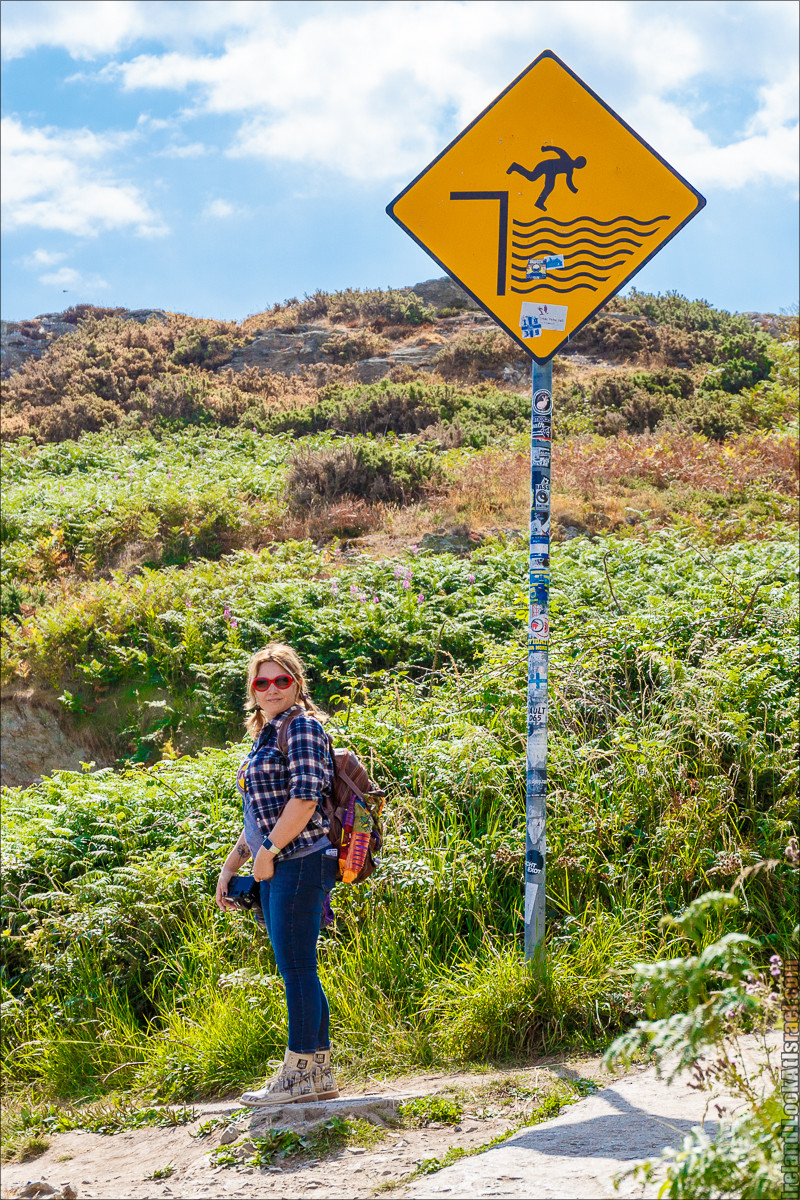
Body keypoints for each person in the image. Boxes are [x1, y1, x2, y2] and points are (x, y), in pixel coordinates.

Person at [216, 642, 339, 1106]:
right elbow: (258, 813)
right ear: (252, 689)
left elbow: (306, 800)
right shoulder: (266, 735)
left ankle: (297, 1073)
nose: (271, 688)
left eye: (281, 680)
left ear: (297, 684)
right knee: (297, 967)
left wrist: (268, 853)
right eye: (261, 681)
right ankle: (318, 1072)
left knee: (297, 967)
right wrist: (233, 866)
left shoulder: (303, 727)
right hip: (278, 860)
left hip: (302, 859)